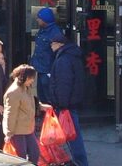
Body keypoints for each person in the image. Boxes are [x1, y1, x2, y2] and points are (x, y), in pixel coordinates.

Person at [48, 32, 88, 166]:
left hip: (66, 106)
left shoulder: (63, 60)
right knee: (72, 135)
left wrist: (62, 105)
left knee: (71, 137)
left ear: (59, 44)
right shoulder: (72, 56)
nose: (51, 46)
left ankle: (79, 162)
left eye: (52, 43)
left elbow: (63, 84)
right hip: (71, 104)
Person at [3, 65, 44, 164]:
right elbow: (10, 114)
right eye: (31, 78)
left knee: (35, 153)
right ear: (23, 77)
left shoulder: (25, 88)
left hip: (28, 129)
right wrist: (8, 133)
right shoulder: (13, 92)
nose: (32, 81)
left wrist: (41, 106)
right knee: (20, 156)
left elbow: (30, 103)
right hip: (17, 131)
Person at [30, 7, 60, 103]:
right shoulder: (42, 30)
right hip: (41, 68)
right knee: (41, 95)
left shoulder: (55, 33)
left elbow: (58, 52)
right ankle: (44, 116)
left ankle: (51, 116)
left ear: (45, 19)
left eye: (39, 18)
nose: (37, 20)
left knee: (48, 96)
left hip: (48, 69)